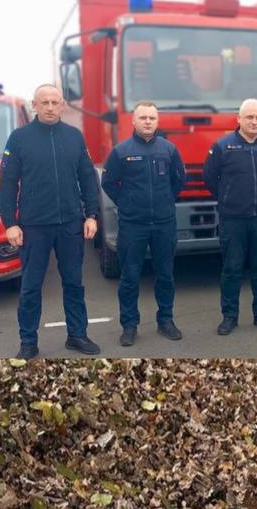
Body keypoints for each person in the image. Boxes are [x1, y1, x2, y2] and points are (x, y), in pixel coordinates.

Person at [0, 84, 102, 359]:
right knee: (31, 286)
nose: (50, 107)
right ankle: (28, 341)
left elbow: (88, 178)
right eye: (44, 102)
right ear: (34, 105)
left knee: (74, 283)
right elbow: (7, 183)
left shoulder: (74, 137)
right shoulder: (19, 139)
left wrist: (91, 214)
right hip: (33, 226)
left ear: (63, 105)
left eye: (55, 102)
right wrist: (10, 222)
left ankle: (77, 335)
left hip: (70, 223)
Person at [101, 102, 187, 347]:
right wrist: (126, 204)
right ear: (134, 121)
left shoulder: (169, 150)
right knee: (129, 276)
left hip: (163, 224)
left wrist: (166, 200)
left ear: (157, 121)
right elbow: (108, 182)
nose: (148, 122)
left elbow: (179, 180)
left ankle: (166, 321)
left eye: (152, 118)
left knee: (165, 275)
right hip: (132, 225)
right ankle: (129, 325)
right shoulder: (121, 151)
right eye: (143, 118)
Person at [202, 98, 257, 335]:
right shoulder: (223, 146)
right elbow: (210, 178)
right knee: (232, 269)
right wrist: (229, 199)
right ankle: (229, 316)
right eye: (249, 117)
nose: (254, 121)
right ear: (238, 119)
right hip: (233, 219)